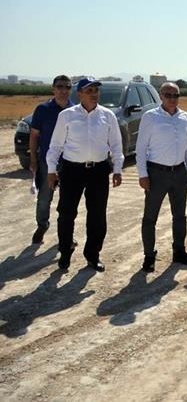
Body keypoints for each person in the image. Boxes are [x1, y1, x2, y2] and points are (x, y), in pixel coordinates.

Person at [47, 77, 124, 272]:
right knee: (66, 214)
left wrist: (117, 169)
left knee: (97, 215)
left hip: (98, 171)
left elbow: (116, 145)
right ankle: (65, 253)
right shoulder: (67, 116)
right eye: (89, 91)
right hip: (72, 170)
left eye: (96, 91)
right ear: (79, 94)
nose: (94, 94)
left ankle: (93, 255)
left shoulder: (108, 116)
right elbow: (56, 145)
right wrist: (51, 170)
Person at [135, 82, 187, 273]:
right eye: (168, 95)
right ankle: (149, 256)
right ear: (160, 96)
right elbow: (140, 149)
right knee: (150, 217)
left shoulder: (184, 117)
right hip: (156, 174)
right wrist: (143, 174)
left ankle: (179, 251)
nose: (172, 99)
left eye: (175, 95)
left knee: (180, 216)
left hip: (179, 173)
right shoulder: (150, 117)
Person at [29, 75, 74, 245]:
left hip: (70, 162)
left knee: (68, 201)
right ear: (53, 89)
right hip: (47, 162)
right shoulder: (42, 109)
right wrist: (33, 158)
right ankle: (42, 226)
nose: (63, 90)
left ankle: (66, 234)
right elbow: (34, 135)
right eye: (60, 86)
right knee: (44, 198)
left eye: (67, 87)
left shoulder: (75, 111)